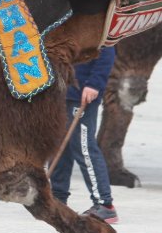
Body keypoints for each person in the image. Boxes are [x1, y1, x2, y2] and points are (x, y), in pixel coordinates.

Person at [50, 47, 119, 223]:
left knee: (83, 147)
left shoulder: (98, 30)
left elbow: (107, 53)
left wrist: (95, 84)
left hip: (83, 93)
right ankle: (57, 198)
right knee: (60, 146)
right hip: (62, 93)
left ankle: (104, 204)